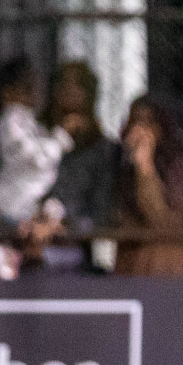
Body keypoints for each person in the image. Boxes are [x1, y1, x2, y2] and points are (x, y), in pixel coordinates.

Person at [0, 58, 83, 279]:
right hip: (13, 207)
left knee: (60, 232)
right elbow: (36, 158)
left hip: (35, 203)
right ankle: (7, 258)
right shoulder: (10, 120)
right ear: (8, 92)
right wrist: (63, 135)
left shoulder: (29, 121)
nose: (33, 95)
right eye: (27, 88)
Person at [114, 95, 183, 277]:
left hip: (167, 262)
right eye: (135, 122)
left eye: (147, 123)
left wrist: (144, 165)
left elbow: (163, 223)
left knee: (163, 253)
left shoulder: (179, 166)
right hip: (131, 260)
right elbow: (117, 221)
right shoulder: (118, 163)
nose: (140, 130)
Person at [43, 61, 119, 271]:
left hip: (76, 247)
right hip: (32, 239)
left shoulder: (103, 148)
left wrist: (71, 225)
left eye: (77, 85)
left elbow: (102, 209)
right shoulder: (39, 138)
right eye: (62, 85)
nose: (68, 92)